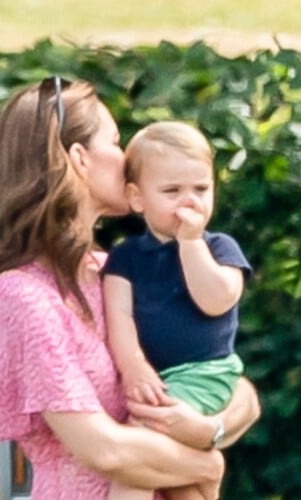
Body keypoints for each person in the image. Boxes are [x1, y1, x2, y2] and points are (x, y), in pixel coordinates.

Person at [0, 77, 260, 500]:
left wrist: (209, 429)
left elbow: (239, 389)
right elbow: (104, 450)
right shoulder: (21, 296)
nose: (128, 156)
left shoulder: (115, 271)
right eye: (114, 141)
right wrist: (206, 461)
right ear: (79, 158)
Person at [103, 121, 252, 500]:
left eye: (201, 189)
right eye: (172, 191)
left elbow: (216, 299)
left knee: (139, 450)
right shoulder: (125, 259)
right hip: (160, 378)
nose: (189, 201)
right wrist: (133, 365)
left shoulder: (219, 248)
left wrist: (190, 245)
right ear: (137, 198)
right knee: (177, 479)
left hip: (206, 373)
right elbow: (118, 316)